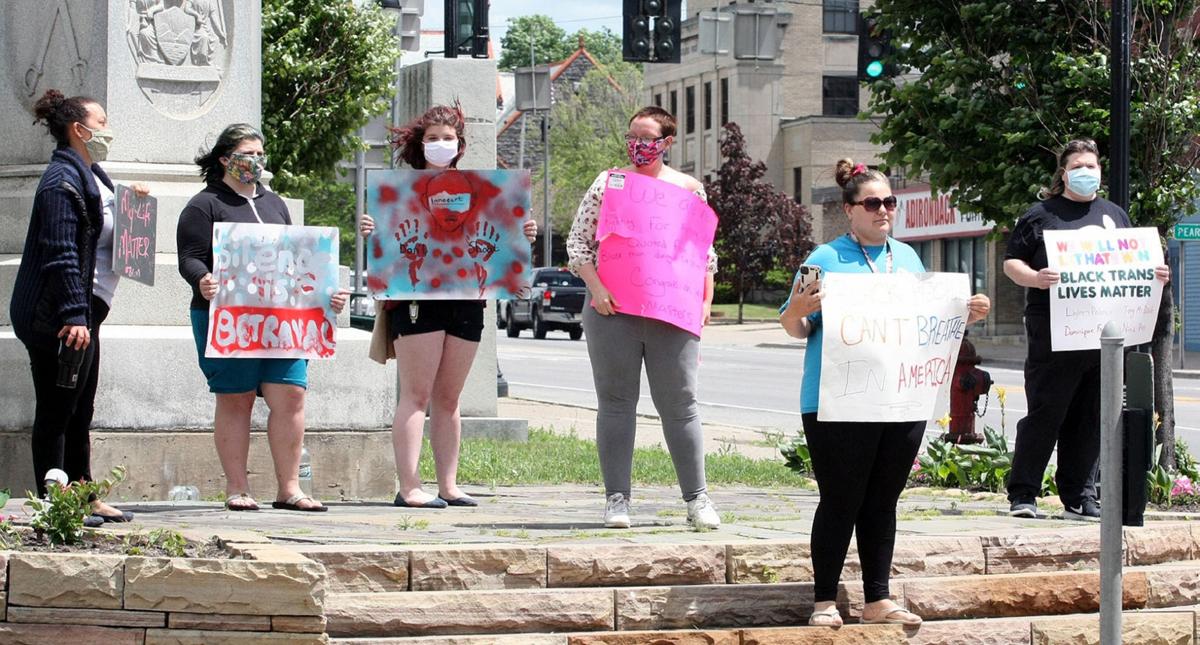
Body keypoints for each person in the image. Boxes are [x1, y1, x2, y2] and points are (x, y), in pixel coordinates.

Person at [779, 159, 991, 627]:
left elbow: (929, 327)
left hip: (899, 398)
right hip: (836, 399)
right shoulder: (823, 260)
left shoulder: (908, 259)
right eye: (873, 203)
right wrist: (795, 307)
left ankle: (878, 599)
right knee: (841, 498)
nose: (884, 210)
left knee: (883, 499)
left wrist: (965, 315)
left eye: (889, 202)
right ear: (849, 210)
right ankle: (823, 603)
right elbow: (796, 326)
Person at [359, 105, 537, 508]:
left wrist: (523, 230)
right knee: (416, 394)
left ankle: (449, 484)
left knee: (449, 397)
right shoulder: (399, 190)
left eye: (448, 137)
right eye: (433, 137)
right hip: (417, 298)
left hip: (468, 299)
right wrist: (373, 230)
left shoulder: (485, 190)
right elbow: (386, 247)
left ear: (460, 144)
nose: (441, 144)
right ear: (421, 144)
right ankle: (410, 487)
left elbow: (505, 239)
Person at [177, 123, 348, 512]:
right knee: (236, 399)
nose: (255, 160)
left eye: (259, 153)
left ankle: (289, 489)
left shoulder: (275, 204)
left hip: (284, 321)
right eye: (247, 154)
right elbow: (189, 256)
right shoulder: (203, 205)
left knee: (291, 394)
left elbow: (298, 261)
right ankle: (237, 488)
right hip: (228, 320)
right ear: (225, 160)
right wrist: (201, 278)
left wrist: (326, 295)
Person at [565, 105, 721, 530]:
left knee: (681, 403)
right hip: (611, 310)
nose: (639, 145)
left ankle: (697, 499)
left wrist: (705, 300)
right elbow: (578, 244)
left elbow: (702, 254)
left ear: (667, 142)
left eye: (648, 137)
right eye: (633, 136)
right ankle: (617, 499)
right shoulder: (608, 183)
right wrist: (597, 289)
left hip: (672, 313)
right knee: (616, 403)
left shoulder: (689, 190)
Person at [1003, 138, 1170, 520]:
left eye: (1091, 166)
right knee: (1047, 411)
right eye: (1077, 166)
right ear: (1063, 173)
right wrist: (1036, 277)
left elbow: (1137, 266)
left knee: (1093, 416)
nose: (1085, 173)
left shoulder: (1114, 215)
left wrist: (1157, 274)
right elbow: (1012, 262)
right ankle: (1024, 494)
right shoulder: (1041, 215)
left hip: (1105, 338)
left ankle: (1080, 496)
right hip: (1054, 333)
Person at [10, 89, 143, 523]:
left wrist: (134, 204)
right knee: (57, 408)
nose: (108, 130)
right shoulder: (59, 183)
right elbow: (61, 252)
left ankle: (83, 495)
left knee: (80, 407)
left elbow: (101, 231)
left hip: (86, 312)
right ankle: (54, 501)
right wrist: (72, 315)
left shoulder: (91, 174)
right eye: (101, 123)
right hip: (58, 316)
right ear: (78, 129)